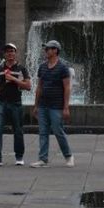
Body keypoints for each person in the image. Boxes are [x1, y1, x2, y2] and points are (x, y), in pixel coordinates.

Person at [31, 40, 74, 168]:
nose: (46, 51)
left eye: (48, 49)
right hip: (43, 105)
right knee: (43, 132)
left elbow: (67, 88)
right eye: (45, 49)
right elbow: (39, 87)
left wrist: (66, 107)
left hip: (56, 106)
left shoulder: (63, 68)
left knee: (58, 131)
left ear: (55, 50)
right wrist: (36, 105)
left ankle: (68, 156)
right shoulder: (42, 67)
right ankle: (43, 159)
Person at [0, 44, 31, 168]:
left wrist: (13, 79)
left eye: (12, 51)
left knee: (18, 131)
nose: (10, 53)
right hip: (1, 102)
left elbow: (28, 86)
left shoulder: (21, 69)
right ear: (4, 54)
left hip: (16, 103)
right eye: (7, 51)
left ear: (15, 53)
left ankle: (19, 157)